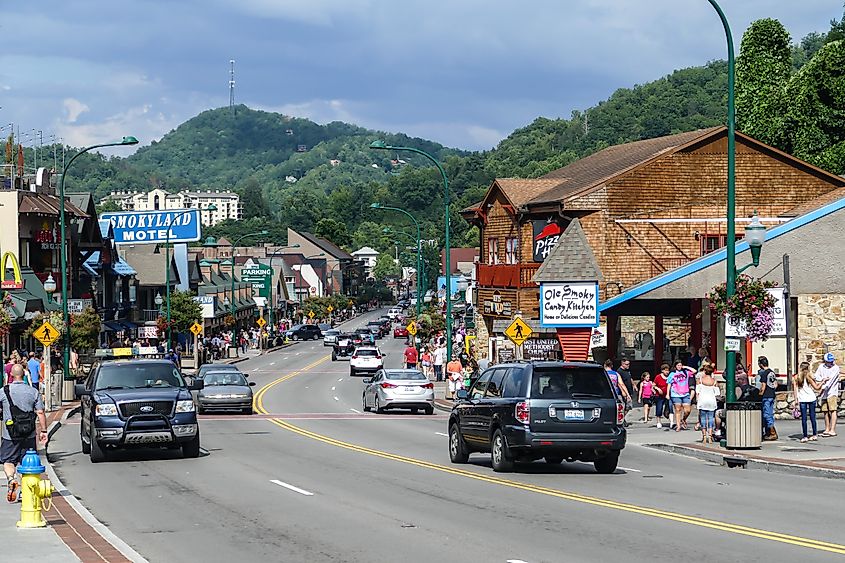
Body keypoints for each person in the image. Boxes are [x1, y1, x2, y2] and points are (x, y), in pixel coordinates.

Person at [1, 364, 48, 503]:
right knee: (26, 463)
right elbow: (40, 412)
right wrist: (44, 430)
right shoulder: (33, 391)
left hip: (9, 434)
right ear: (24, 374)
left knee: (8, 461)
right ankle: (24, 491)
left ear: (11, 375)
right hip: (29, 433)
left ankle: (11, 479)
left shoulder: (4, 391)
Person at [814, 352, 841, 437]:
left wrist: (822, 387)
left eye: (831, 361)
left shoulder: (836, 368)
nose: (830, 363)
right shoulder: (821, 367)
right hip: (824, 393)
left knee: (833, 410)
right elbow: (816, 376)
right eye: (828, 361)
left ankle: (832, 430)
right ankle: (827, 428)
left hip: (832, 392)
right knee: (825, 411)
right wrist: (823, 379)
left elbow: (831, 381)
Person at [793, 361, 822, 442]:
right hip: (811, 398)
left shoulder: (796, 377)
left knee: (804, 419)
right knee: (813, 417)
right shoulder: (809, 377)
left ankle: (805, 436)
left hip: (802, 399)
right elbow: (816, 387)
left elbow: (795, 390)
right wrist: (823, 382)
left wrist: (796, 400)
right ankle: (814, 434)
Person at [667, 361, 695, 431]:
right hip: (675, 393)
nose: (679, 366)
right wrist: (667, 394)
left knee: (687, 410)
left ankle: (683, 419)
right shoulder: (672, 374)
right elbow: (669, 384)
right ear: (675, 366)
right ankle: (678, 425)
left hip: (685, 393)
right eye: (678, 365)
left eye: (680, 365)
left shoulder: (686, 372)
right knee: (678, 409)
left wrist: (686, 367)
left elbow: (694, 371)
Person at [695, 364, 719, 443]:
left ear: (705, 371)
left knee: (703, 419)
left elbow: (697, 391)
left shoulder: (700, 380)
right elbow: (717, 393)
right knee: (711, 418)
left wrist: (697, 400)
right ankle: (710, 436)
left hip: (703, 400)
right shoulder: (714, 381)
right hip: (711, 400)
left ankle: (704, 436)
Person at [757, 356, 779, 441]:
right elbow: (776, 384)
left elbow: (763, 386)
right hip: (772, 395)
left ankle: (773, 433)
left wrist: (759, 394)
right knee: (770, 414)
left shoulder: (764, 374)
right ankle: (768, 432)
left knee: (767, 415)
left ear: (761, 364)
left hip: (766, 396)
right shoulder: (772, 372)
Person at [653, 364, 670, 429]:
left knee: (669, 408)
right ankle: (658, 421)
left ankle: (670, 420)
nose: (667, 372)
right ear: (662, 371)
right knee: (659, 408)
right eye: (665, 370)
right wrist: (658, 389)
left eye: (668, 370)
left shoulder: (669, 377)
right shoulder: (658, 377)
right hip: (659, 395)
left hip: (667, 395)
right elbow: (653, 385)